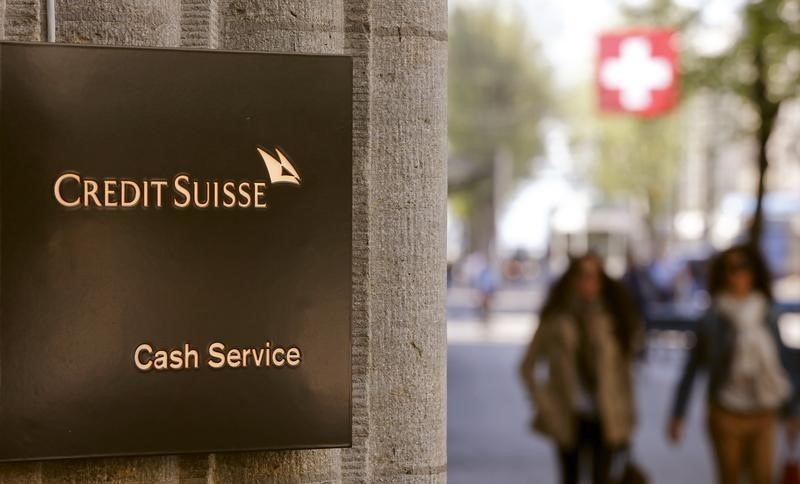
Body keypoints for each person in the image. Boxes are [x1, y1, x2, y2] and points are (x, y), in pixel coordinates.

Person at [668, 244, 800, 484]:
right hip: (725, 411)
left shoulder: (767, 313)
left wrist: (793, 412)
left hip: (763, 410)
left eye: (742, 267)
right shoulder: (712, 317)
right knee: (729, 477)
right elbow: (691, 369)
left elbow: (782, 363)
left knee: (763, 477)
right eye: (730, 269)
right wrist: (678, 415)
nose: (737, 275)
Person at [520, 253, 642, 484]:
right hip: (569, 414)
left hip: (606, 415)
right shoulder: (556, 318)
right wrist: (545, 404)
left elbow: (624, 372)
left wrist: (628, 416)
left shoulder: (613, 317)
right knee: (569, 478)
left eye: (595, 276)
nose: (589, 282)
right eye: (583, 275)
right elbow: (527, 367)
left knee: (602, 478)